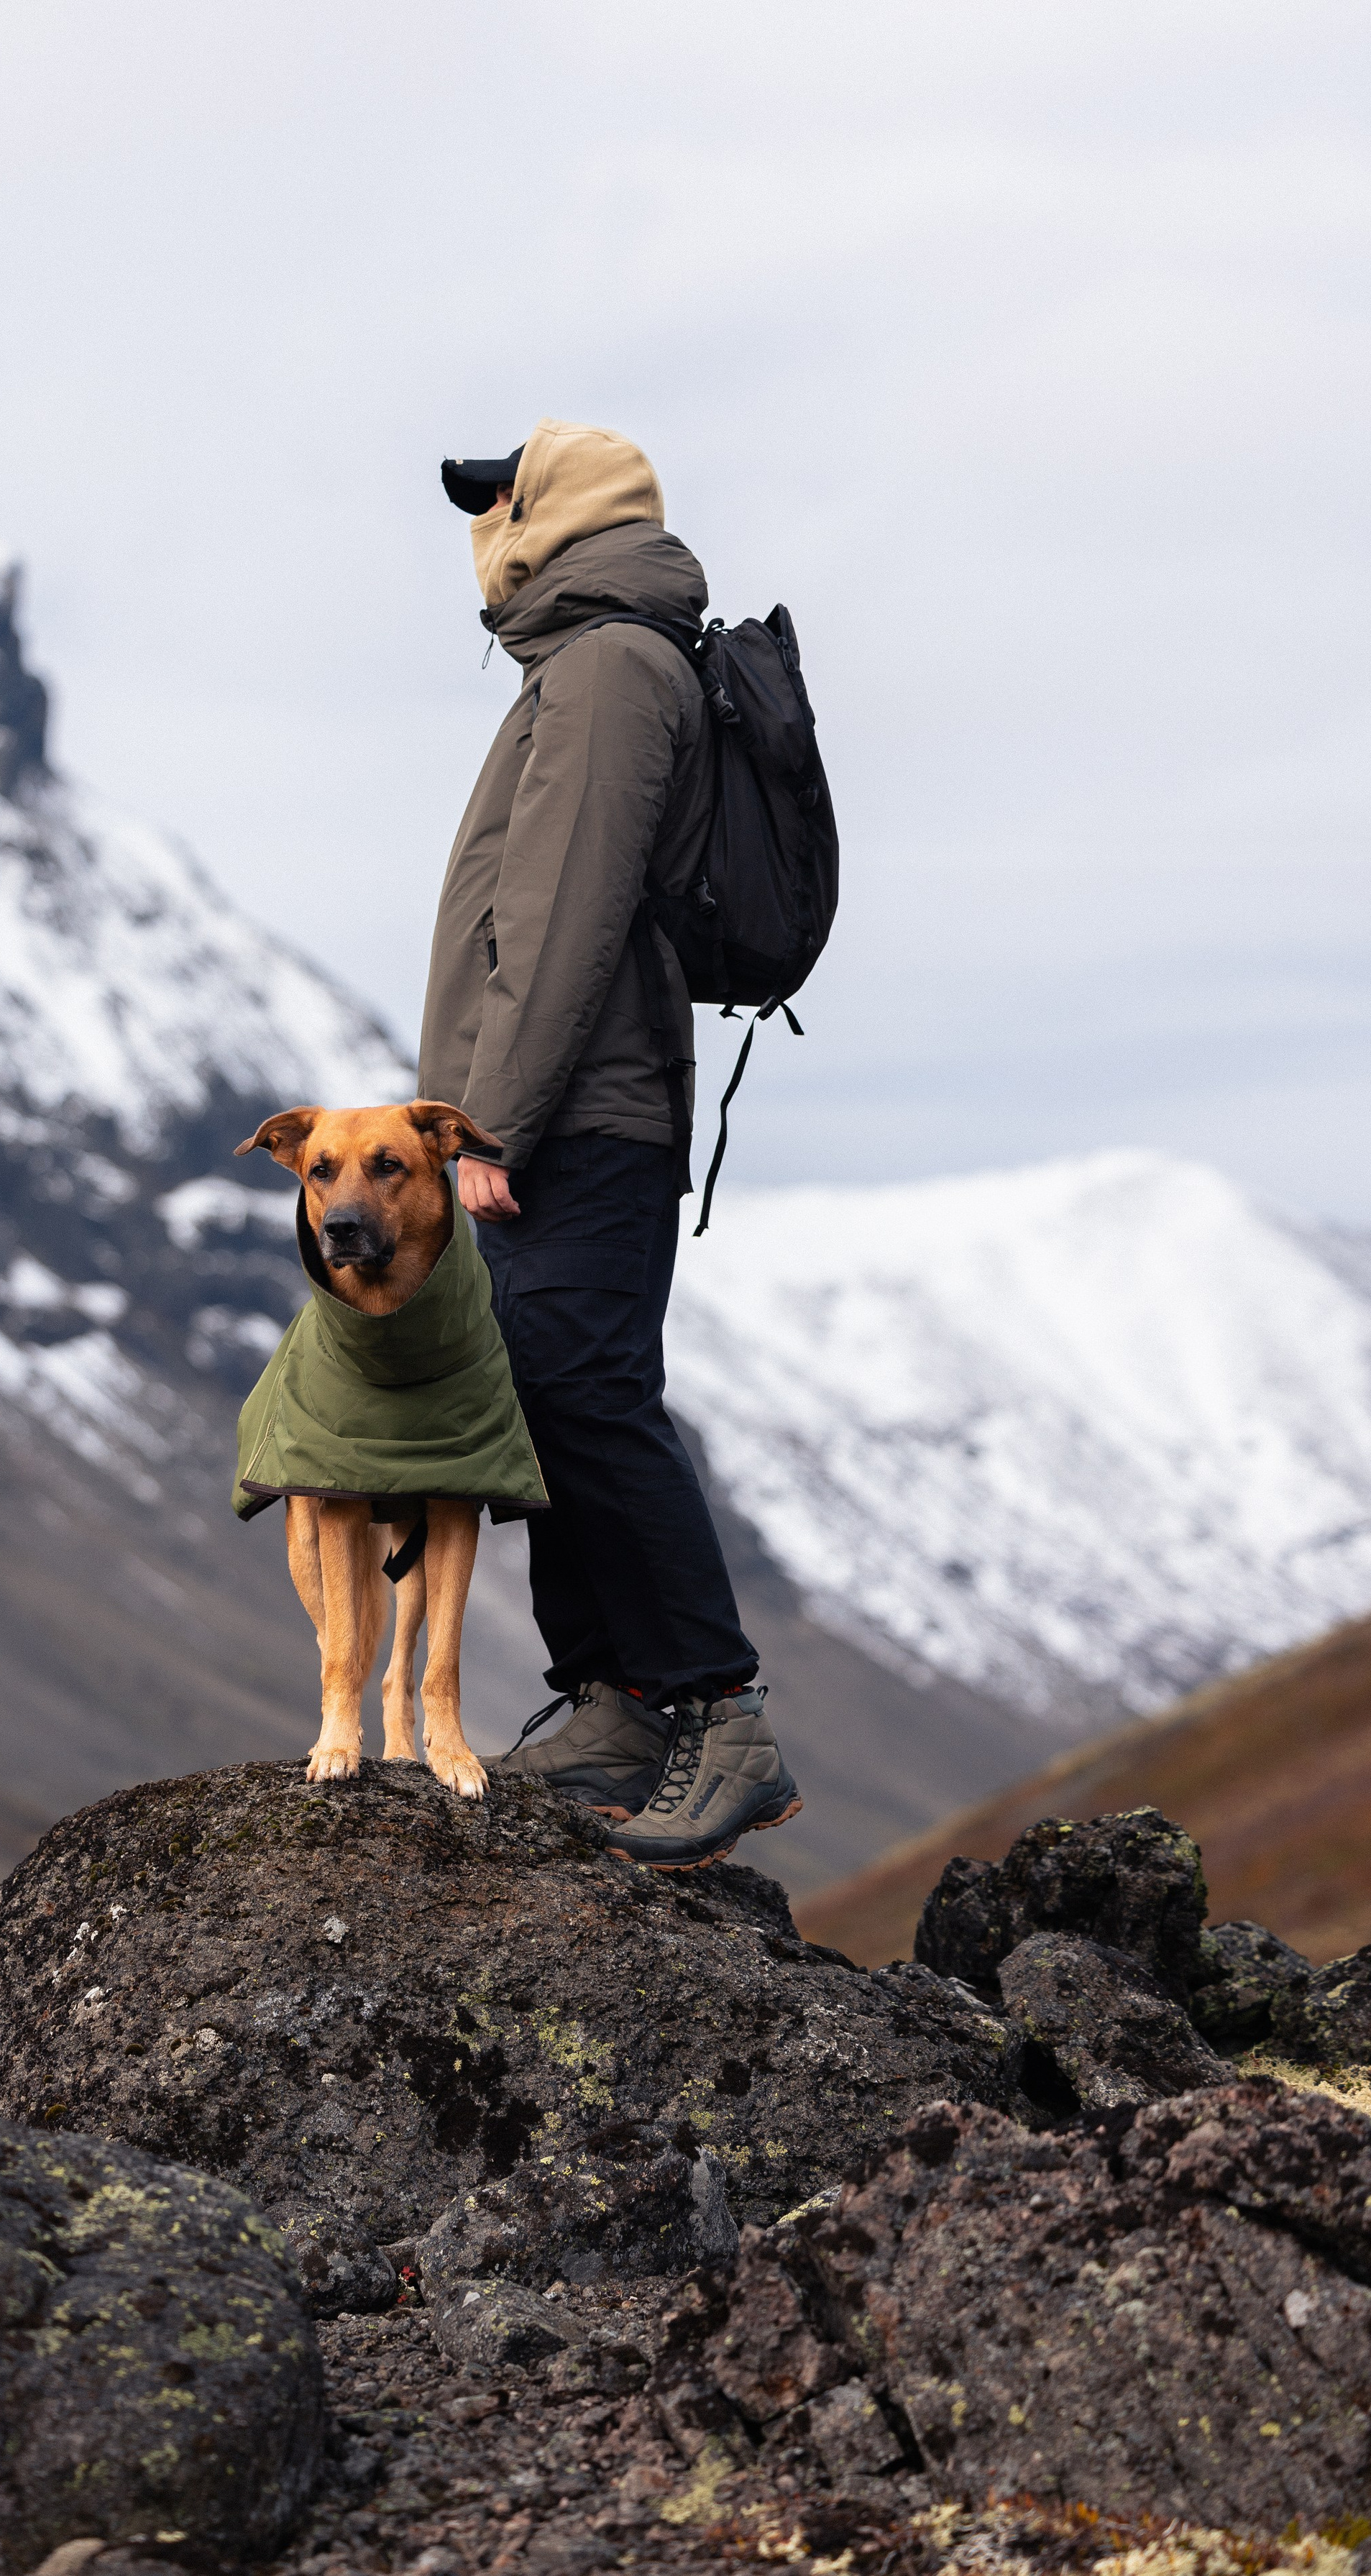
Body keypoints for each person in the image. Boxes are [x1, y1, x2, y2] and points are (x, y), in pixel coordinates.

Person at [421, 418, 800, 1869]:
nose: (479, 531)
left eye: (496, 504)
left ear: (551, 516)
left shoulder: (605, 669)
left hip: (577, 1108)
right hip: (562, 1107)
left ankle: (718, 1709)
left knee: (578, 1384)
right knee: (545, 1384)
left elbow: (565, 914)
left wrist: (487, 1120)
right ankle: (613, 1701)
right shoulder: (585, 662)